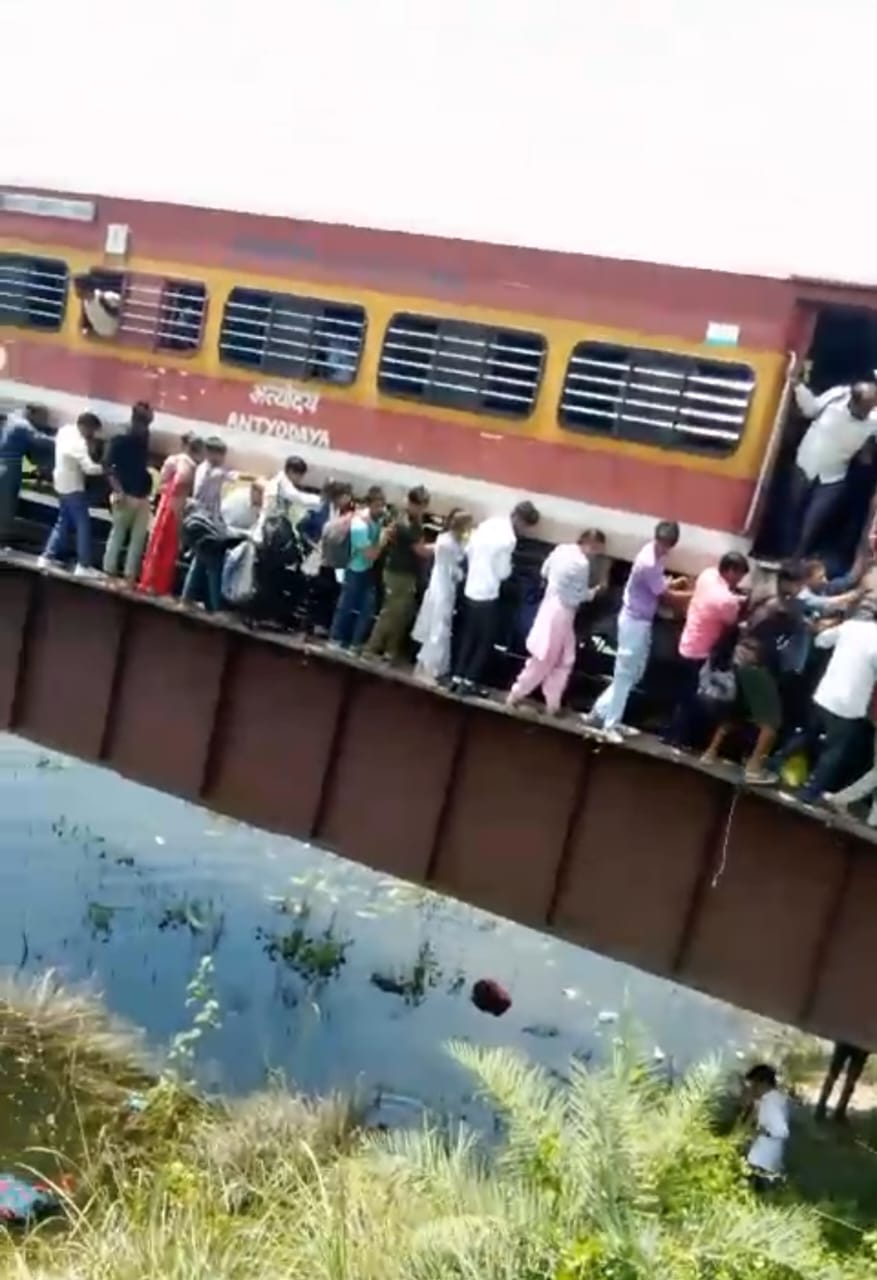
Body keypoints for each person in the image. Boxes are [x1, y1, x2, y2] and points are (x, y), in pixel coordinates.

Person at [701, 562, 805, 783]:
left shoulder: (764, 598)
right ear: (792, 583)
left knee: (738, 710)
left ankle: (710, 753)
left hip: (740, 659)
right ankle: (754, 768)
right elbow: (805, 626)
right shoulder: (786, 608)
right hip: (757, 666)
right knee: (771, 723)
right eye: (800, 583)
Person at [583, 520, 687, 740]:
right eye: (663, 543)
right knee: (625, 674)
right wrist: (694, 595)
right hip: (634, 622)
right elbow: (665, 597)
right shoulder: (649, 561)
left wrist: (673, 583)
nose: (664, 547)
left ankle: (599, 712)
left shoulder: (655, 555)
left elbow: (658, 586)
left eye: (667, 544)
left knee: (634, 673)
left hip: (641, 620)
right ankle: (610, 724)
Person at [506, 528, 606, 715]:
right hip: (562, 612)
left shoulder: (561, 549)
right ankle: (517, 694)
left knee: (564, 658)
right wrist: (594, 593)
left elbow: (544, 572)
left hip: (550, 604)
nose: (597, 553)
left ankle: (552, 702)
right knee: (547, 657)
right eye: (598, 549)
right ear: (592, 545)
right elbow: (575, 597)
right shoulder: (581, 564)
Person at [450, 500, 541, 696]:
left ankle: (456, 677)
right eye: (525, 526)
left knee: (469, 635)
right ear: (520, 520)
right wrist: (510, 570)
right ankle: (469, 681)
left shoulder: (489, 524)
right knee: (485, 640)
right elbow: (502, 572)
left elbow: (469, 550)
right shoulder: (508, 539)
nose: (524, 530)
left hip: (471, 587)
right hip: (487, 594)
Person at [668, 551, 749, 746]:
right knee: (692, 697)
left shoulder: (707, 575)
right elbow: (732, 620)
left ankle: (671, 733)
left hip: (687, 640)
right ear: (730, 571)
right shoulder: (725, 600)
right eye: (739, 575)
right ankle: (679, 738)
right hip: (700, 651)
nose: (740, 580)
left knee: (682, 693)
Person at [789, 378, 877, 557]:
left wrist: (867, 453)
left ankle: (795, 559)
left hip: (833, 478)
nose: (868, 411)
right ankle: (782, 552)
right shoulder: (837, 396)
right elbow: (811, 409)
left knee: (812, 522)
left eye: (872, 406)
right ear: (853, 400)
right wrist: (797, 385)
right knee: (792, 513)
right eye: (865, 407)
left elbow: (866, 456)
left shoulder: (874, 420)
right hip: (804, 465)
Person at [799, 616, 877, 804]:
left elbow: (821, 640)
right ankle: (810, 792)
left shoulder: (852, 625)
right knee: (834, 751)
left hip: (825, 693)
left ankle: (775, 761)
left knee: (808, 733)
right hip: (848, 705)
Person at [366, 485, 432, 663]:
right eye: (420, 505)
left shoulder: (403, 517)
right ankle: (372, 648)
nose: (422, 509)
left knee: (402, 613)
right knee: (391, 612)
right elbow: (420, 551)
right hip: (399, 573)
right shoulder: (407, 525)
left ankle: (390, 650)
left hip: (402, 572)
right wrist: (440, 547)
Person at [38, 411, 104, 576]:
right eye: (92, 431)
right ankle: (83, 565)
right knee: (83, 525)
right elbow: (89, 469)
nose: (92, 434)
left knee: (63, 521)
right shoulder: (78, 444)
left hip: (60, 483)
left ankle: (46, 557)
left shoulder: (64, 431)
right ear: (86, 426)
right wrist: (105, 469)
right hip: (73, 487)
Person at [138, 432, 205, 596]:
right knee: (168, 549)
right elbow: (183, 485)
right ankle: (159, 585)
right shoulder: (190, 466)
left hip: (164, 506)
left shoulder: (172, 460)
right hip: (176, 508)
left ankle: (148, 581)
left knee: (156, 546)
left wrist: (169, 492)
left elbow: (161, 485)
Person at [413, 508, 473, 682]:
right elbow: (452, 571)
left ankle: (428, 666)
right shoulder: (449, 544)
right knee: (438, 627)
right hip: (444, 587)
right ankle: (429, 669)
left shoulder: (446, 540)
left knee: (438, 625)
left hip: (440, 585)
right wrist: (463, 575)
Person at [328, 485, 388, 650]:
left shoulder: (379, 520)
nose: (381, 509)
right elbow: (371, 554)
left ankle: (355, 643)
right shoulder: (359, 524)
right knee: (347, 605)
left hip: (368, 570)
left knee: (367, 607)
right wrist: (382, 541)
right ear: (369, 505)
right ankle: (336, 638)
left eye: (382, 505)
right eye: (378, 506)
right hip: (355, 569)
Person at [102, 402, 154, 584]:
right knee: (119, 534)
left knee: (135, 539)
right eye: (143, 422)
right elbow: (107, 467)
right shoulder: (121, 438)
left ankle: (129, 575)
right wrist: (118, 490)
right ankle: (110, 572)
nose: (145, 427)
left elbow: (108, 467)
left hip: (139, 493)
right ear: (134, 419)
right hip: (126, 493)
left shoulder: (141, 437)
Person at [0, 404, 52, 545]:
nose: (43, 421)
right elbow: (39, 440)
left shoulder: (11, 418)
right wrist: (62, 441)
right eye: (42, 418)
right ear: (32, 413)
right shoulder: (23, 424)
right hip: (9, 468)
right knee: (6, 506)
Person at [743, 1063, 789, 1190]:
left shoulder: (770, 1103)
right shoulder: (775, 1098)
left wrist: (761, 1131)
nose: (752, 1089)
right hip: (767, 1158)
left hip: (761, 1160)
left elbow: (782, 1131)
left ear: (762, 1083)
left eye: (753, 1084)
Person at [255, 455, 321, 541]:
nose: (301, 479)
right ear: (291, 471)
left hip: (272, 525)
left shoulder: (280, 480)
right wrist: (321, 501)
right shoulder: (283, 484)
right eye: (299, 476)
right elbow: (298, 498)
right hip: (270, 528)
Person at [815, 1042, 871, 1123]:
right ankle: (827, 1109)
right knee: (839, 1076)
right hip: (856, 1042)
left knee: (843, 1077)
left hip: (854, 1041)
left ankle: (830, 1109)